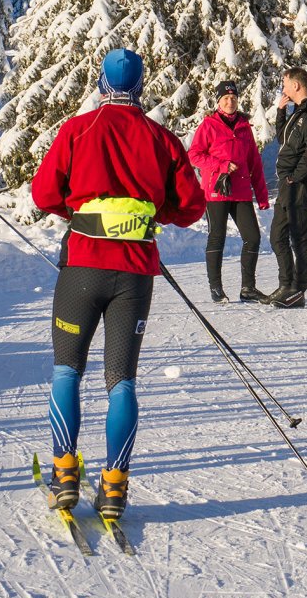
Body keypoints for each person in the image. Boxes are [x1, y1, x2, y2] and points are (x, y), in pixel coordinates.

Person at [29, 48, 205, 520]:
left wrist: (77, 208)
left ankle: (65, 473)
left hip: (82, 265)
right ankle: (114, 487)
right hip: (134, 272)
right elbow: (191, 207)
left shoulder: (77, 129)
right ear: (141, 87)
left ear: (101, 84)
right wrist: (151, 213)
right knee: (121, 380)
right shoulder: (162, 139)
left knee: (67, 371)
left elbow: (43, 194)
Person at [188, 80, 270, 302]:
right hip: (217, 190)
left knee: (253, 237)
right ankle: (216, 288)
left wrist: (262, 196)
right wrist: (221, 165)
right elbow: (194, 155)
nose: (230, 102)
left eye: (233, 98)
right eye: (225, 98)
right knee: (217, 237)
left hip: (241, 190)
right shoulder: (209, 125)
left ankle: (248, 289)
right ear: (218, 102)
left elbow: (255, 163)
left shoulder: (244, 127)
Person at [266, 67, 307, 309]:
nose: (283, 89)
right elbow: (284, 140)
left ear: (296, 85)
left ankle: (298, 289)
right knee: (277, 235)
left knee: (298, 235)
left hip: (299, 183)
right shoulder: (298, 111)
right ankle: (286, 285)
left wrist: (295, 176)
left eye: (285, 84)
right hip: (287, 183)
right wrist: (281, 112)